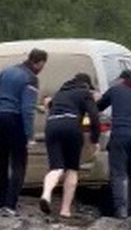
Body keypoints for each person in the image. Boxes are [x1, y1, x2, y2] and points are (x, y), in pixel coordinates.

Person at [0, 48, 48, 217]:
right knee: (19, 163)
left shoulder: (7, 71)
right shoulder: (31, 78)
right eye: (43, 65)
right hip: (16, 120)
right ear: (40, 62)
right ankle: (10, 205)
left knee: (1, 161)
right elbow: (27, 109)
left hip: (0, 117)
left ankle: (2, 200)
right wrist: (29, 135)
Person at [39, 73, 100, 218]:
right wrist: (94, 139)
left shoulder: (60, 93)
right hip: (72, 125)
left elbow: (49, 106)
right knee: (72, 169)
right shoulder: (84, 92)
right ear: (86, 85)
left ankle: (46, 194)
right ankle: (65, 210)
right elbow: (94, 115)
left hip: (52, 125)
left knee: (57, 167)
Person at [96, 69, 131, 218]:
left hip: (120, 135)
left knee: (118, 173)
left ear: (122, 80)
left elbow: (98, 107)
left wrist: (96, 98)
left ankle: (120, 210)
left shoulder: (116, 90)